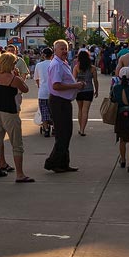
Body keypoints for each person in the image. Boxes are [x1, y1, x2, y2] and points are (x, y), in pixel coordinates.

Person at [0, 52, 34, 183]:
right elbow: (26, 89)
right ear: (11, 64)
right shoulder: (13, 79)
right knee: (17, 144)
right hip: (10, 113)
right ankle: (20, 174)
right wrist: (16, 76)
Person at [45, 40, 84, 173]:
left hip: (63, 102)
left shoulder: (63, 63)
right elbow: (56, 85)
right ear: (55, 50)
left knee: (66, 134)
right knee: (62, 134)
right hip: (58, 102)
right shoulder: (56, 65)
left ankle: (63, 163)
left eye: (66, 48)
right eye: (61, 49)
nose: (64, 51)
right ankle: (53, 162)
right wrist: (75, 86)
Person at [74, 49, 98, 136]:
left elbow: (74, 79)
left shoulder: (76, 67)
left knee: (80, 110)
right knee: (85, 111)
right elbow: (95, 80)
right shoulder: (92, 68)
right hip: (89, 90)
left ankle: (80, 127)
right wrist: (97, 90)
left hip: (79, 90)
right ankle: (82, 129)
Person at [34, 47, 54, 137]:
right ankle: (54, 128)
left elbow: (36, 79)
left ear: (44, 55)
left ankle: (46, 129)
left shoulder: (39, 65)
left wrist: (40, 86)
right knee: (53, 111)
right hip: (53, 91)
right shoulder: (54, 64)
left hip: (43, 91)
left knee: (44, 111)